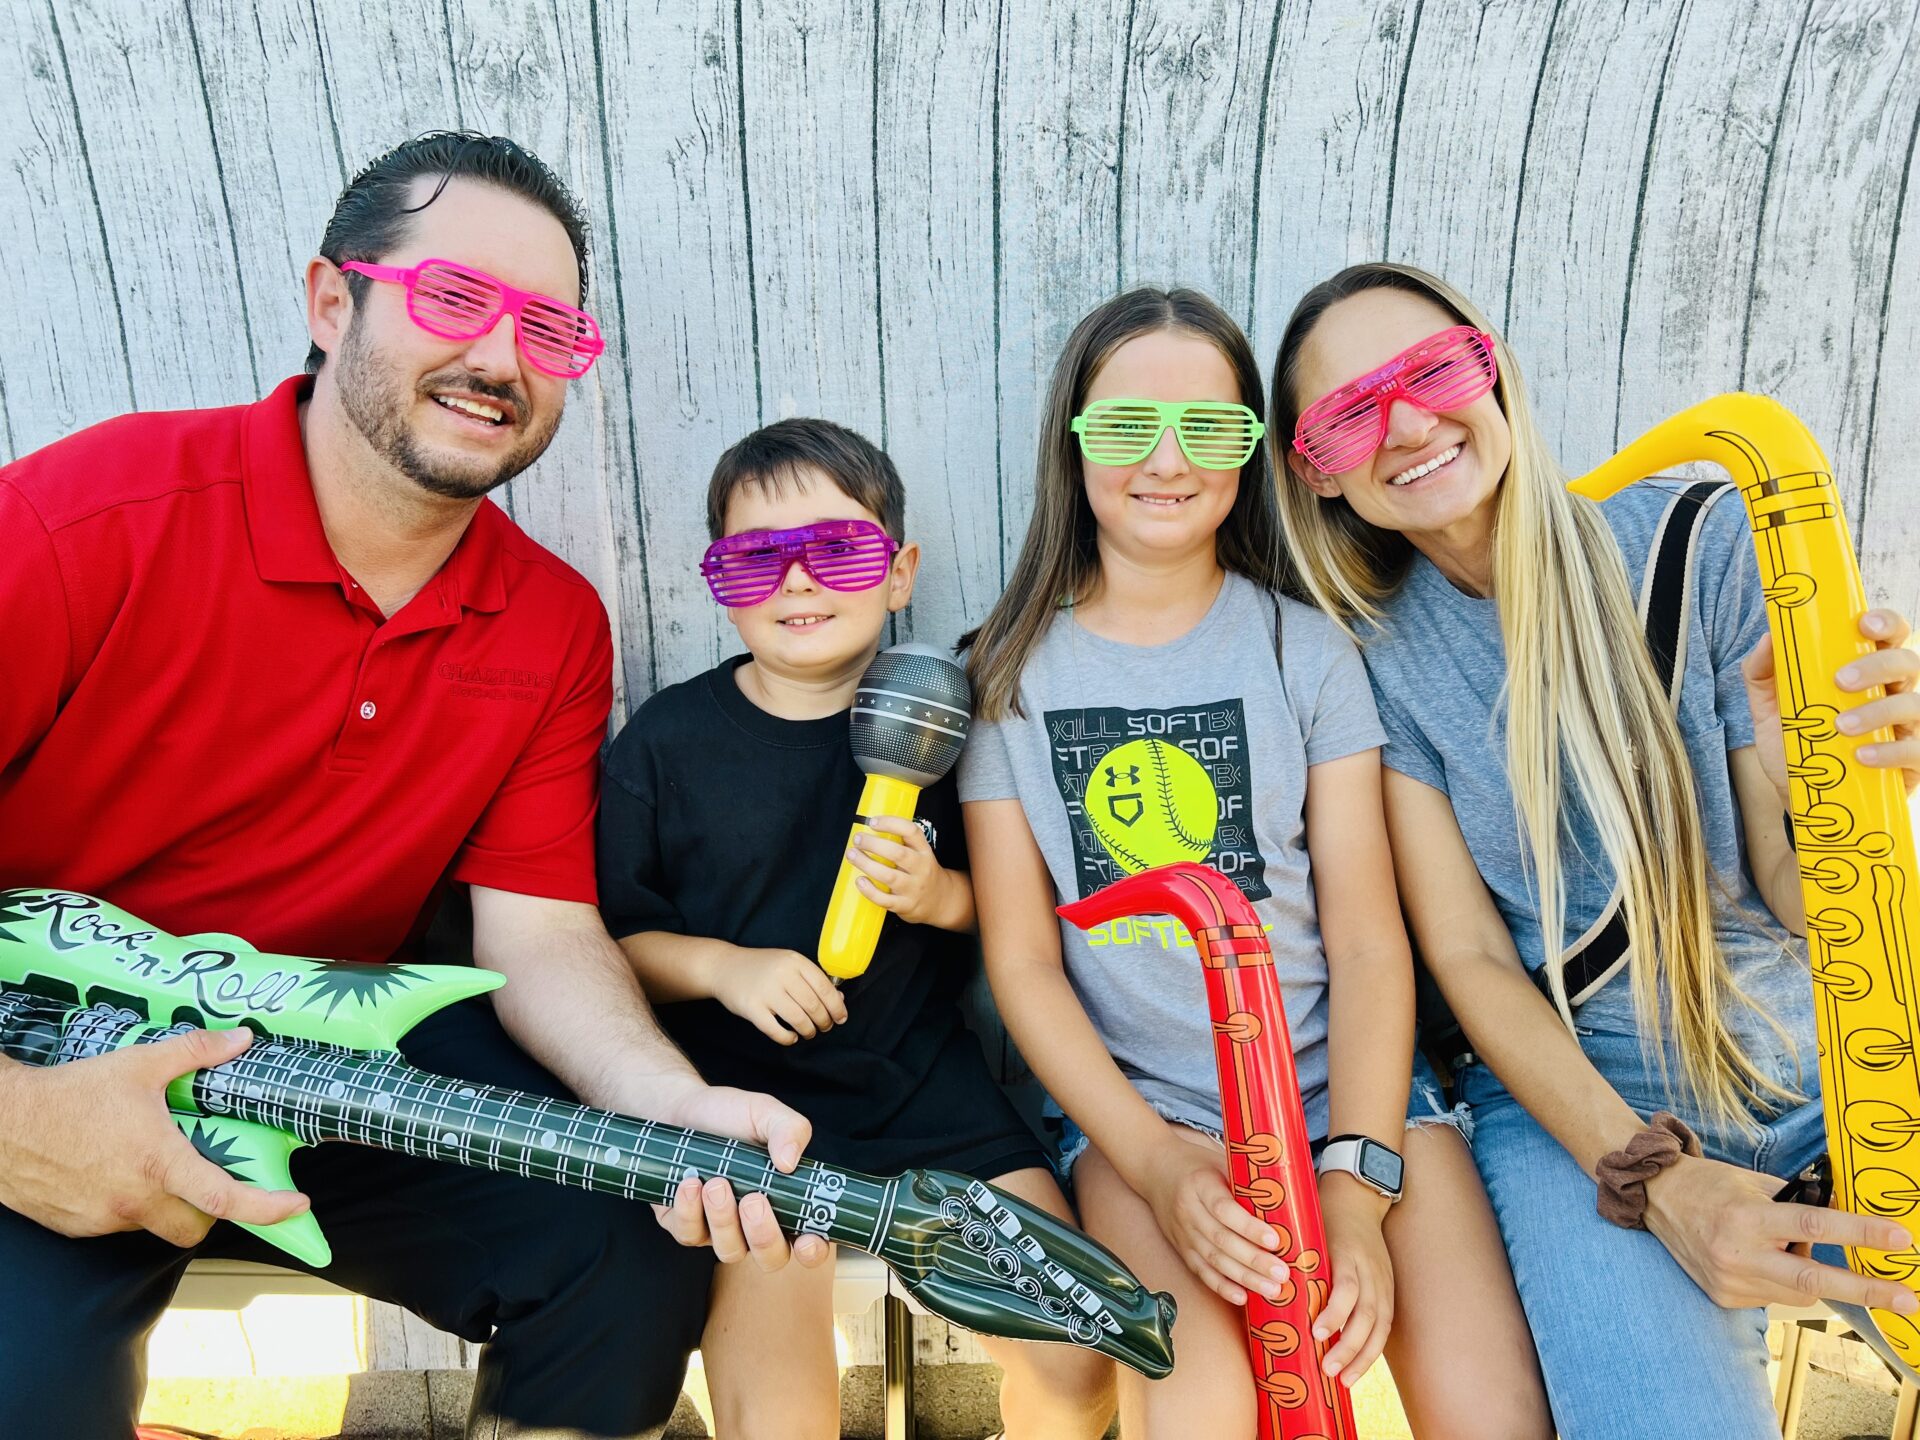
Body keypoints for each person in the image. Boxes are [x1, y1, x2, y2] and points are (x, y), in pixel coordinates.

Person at [0, 131, 819, 1440]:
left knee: (629, 1249)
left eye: (547, 329)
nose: (499, 357)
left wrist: (671, 1107)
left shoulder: (552, 623)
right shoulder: (80, 522)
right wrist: (19, 1119)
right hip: (45, 1055)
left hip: (327, 1054)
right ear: (334, 302)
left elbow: (540, 934)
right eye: (453, 298)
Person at [1269, 260, 1920, 1437]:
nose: (1407, 425)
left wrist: (1849, 792)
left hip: (1838, 1068)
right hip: (1586, 1107)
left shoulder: (1709, 540)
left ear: (1492, 369)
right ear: (1318, 472)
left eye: (1432, 371)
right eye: (1351, 413)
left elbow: (1792, 892)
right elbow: (1469, 959)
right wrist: (1652, 1176)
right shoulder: (1371, 659)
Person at [956, 286, 1550, 1438]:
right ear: (1071, 445)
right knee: (1201, 1412)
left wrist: (1355, 1188)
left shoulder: (1307, 649)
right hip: (1149, 1120)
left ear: (1252, 452)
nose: (1166, 459)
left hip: (1352, 1098)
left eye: (1209, 428)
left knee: (1494, 1411)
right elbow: (1023, 963)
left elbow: (1368, 941)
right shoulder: (1009, 677)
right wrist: (1155, 1164)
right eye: (1126, 426)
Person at [596, 417, 1116, 1439]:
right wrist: (725, 968)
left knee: (1079, 1360)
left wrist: (938, 896)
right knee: (777, 1409)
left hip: (924, 1087)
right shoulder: (667, 742)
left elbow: (1024, 916)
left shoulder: (958, 729)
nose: (797, 581)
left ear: (898, 572)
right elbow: (614, 953)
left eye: (836, 551)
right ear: (720, 582)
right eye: (758, 558)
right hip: (743, 1107)